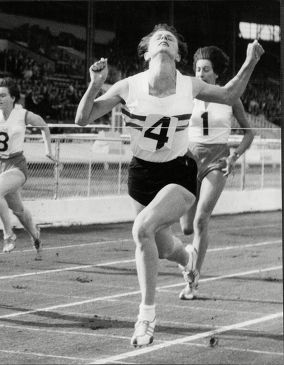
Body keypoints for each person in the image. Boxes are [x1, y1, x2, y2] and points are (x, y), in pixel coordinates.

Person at [75, 24, 263, 347]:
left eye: (171, 39)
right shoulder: (128, 86)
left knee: (142, 229)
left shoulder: (189, 85)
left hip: (178, 173)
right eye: (158, 37)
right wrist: (94, 85)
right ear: (147, 52)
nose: (164, 38)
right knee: (162, 247)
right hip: (141, 175)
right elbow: (83, 118)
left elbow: (231, 95)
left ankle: (146, 316)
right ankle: (188, 259)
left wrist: (251, 60)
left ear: (177, 54)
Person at [178, 46, 255, 300]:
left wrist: (235, 155)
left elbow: (249, 132)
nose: (200, 73)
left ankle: (192, 280)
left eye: (206, 69)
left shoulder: (230, 97)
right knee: (186, 227)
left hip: (217, 161)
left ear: (216, 74)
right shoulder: (186, 95)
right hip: (189, 159)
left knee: (201, 220)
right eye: (198, 69)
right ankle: (187, 255)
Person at [0, 77, 56, 259]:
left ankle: (8, 235)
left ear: (13, 98)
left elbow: (44, 126)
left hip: (16, 164)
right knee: (19, 211)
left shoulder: (23, 114)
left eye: (2, 95)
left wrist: (48, 150)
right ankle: (36, 236)